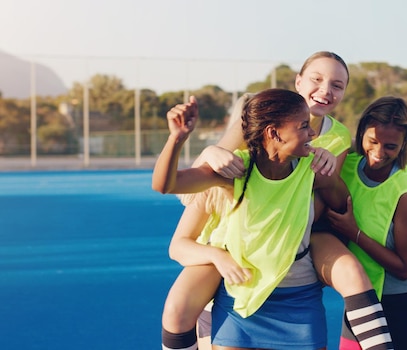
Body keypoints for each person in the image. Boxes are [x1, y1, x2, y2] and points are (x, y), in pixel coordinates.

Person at [155, 51, 393, 350]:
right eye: (317, 80)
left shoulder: (326, 146)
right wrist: (202, 150)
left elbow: (327, 199)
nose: (326, 90)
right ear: (298, 81)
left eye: (337, 85)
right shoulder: (247, 148)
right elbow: (184, 185)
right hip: (231, 243)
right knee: (177, 309)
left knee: (352, 273)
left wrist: (324, 186)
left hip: (294, 242)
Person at [160, 88, 349, 349]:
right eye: (304, 126)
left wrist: (329, 171)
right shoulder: (234, 170)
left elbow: (341, 203)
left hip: (298, 299)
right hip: (240, 298)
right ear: (273, 133)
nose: (314, 134)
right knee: (176, 308)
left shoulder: (310, 167)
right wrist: (177, 139)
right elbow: (166, 185)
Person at [326, 96, 407, 350]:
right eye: (372, 141)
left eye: (390, 146)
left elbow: (403, 269)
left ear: (405, 144)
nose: (378, 153)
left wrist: (354, 232)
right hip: (361, 298)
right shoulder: (347, 166)